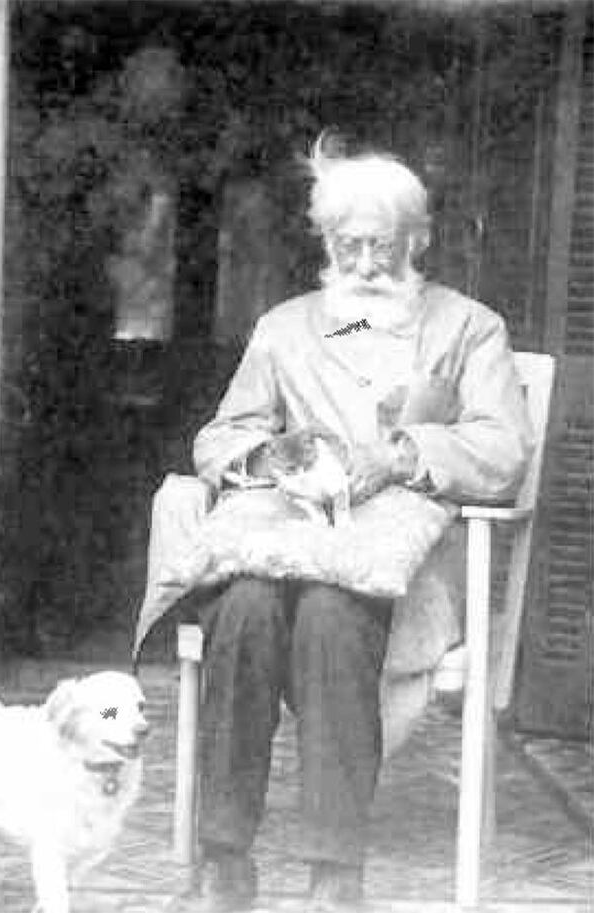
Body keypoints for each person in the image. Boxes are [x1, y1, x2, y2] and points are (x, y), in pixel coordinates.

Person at [169, 133, 534, 913]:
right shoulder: (285, 326)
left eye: (381, 247)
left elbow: (503, 450)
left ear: (419, 240)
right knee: (242, 608)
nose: (364, 264)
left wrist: (404, 453)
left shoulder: (470, 328)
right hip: (282, 545)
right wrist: (270, 457)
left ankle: (337, 874)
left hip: (397, 572)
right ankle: (224, 860)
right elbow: (220, 435)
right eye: (347, 246)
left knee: (332, 618)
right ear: (326, 244)